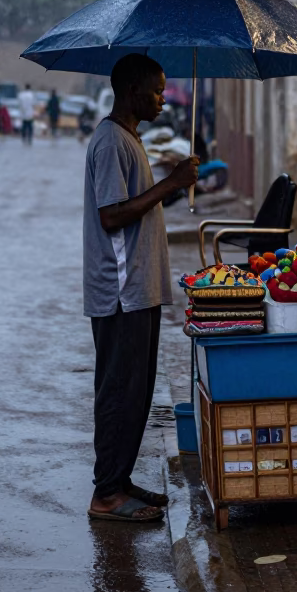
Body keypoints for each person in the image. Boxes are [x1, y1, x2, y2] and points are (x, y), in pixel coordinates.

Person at [84, 53, 199, 524]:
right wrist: (171, 183)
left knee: (137, 390)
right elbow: (111, 214)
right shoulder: (110, 140)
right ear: (133, 92)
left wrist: (169, 179)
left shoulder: (128, 138)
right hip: (120, 291)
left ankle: (121, 479)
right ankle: (107, 493)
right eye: (156, 91)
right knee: (118, 390)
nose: (162, 98)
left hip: (138, 288)